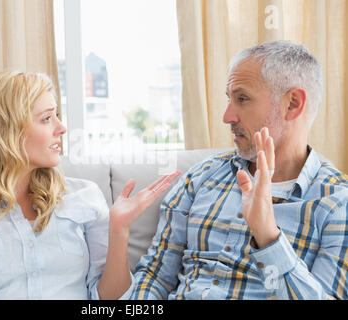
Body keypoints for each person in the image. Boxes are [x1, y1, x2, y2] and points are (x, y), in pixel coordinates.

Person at [0, 70, 180, 300]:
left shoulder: (84, 196)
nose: (62, 128)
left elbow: (108, 301)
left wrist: (119, 230)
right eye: (46, 118)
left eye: (57, 116)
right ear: (7, 131)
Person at [129, 40, 348, 300]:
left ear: (292, 104)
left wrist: (267, 236)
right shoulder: (202, 177)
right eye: (229, 99)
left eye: (242, 99)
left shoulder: (338, 203)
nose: (227, 116)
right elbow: (153, 277)